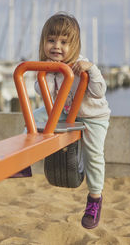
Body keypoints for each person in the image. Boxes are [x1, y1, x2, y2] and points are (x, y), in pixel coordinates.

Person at [34, 12, 111, 229]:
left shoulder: (81, 65)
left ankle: (95, 199)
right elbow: (44, 94)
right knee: (36, 115)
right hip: (66, 113)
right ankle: (23, 160)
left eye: (64, 42)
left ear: (74, 45)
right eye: (51, 40)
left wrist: (91, 68)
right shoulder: (50, 67)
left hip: (92, 117)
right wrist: (47, 72)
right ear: (44, 42)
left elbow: (99, 92)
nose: (56, 46)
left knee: (93, 155)